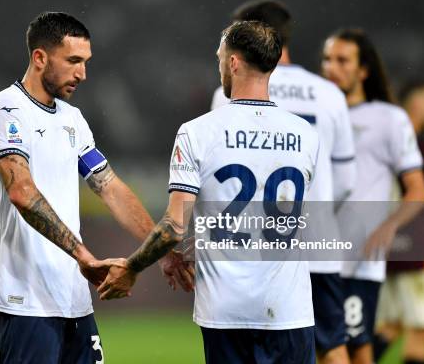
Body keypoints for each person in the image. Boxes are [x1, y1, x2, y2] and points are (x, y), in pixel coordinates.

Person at [99, 20, 320, 364]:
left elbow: (175, 225)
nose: (219, 67)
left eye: (220, 58)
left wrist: (132, 267)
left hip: (225, 310)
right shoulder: (305, 135)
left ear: (233, 62)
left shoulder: (197, 133)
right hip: (289, 308)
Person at [0, 11, 192, 364]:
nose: (83, 73)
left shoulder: (71, 119)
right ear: (40, 57)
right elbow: (22, 192)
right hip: (25, 298)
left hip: (74, 297)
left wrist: (161, 250)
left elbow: (108, 186)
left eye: (86, 62)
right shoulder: (5, 110)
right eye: (74, 61)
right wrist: (84, 256)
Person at [211, 0, 356, 363]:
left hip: (253, 250)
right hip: (318, 239)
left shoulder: (225, 94)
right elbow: (346, 181)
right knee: (332, 344)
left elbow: (221, 178)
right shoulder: (329, 93)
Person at [321, 29, 424, 364]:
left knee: (357, 349)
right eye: (327, 59)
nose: (331, 67)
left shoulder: (390, 119)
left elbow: (418, 189)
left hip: (359, 262)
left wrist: (389, 227)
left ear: (363, 70)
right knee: (317, 350)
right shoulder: (316, 115)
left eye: (342, 60)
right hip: (314, 256)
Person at [374, 80, 424, 364]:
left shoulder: (384, 141)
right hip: (418, 249)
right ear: (416, 101)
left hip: (390, 249)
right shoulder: (417, 149)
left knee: (390, 326)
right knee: (421, 328)